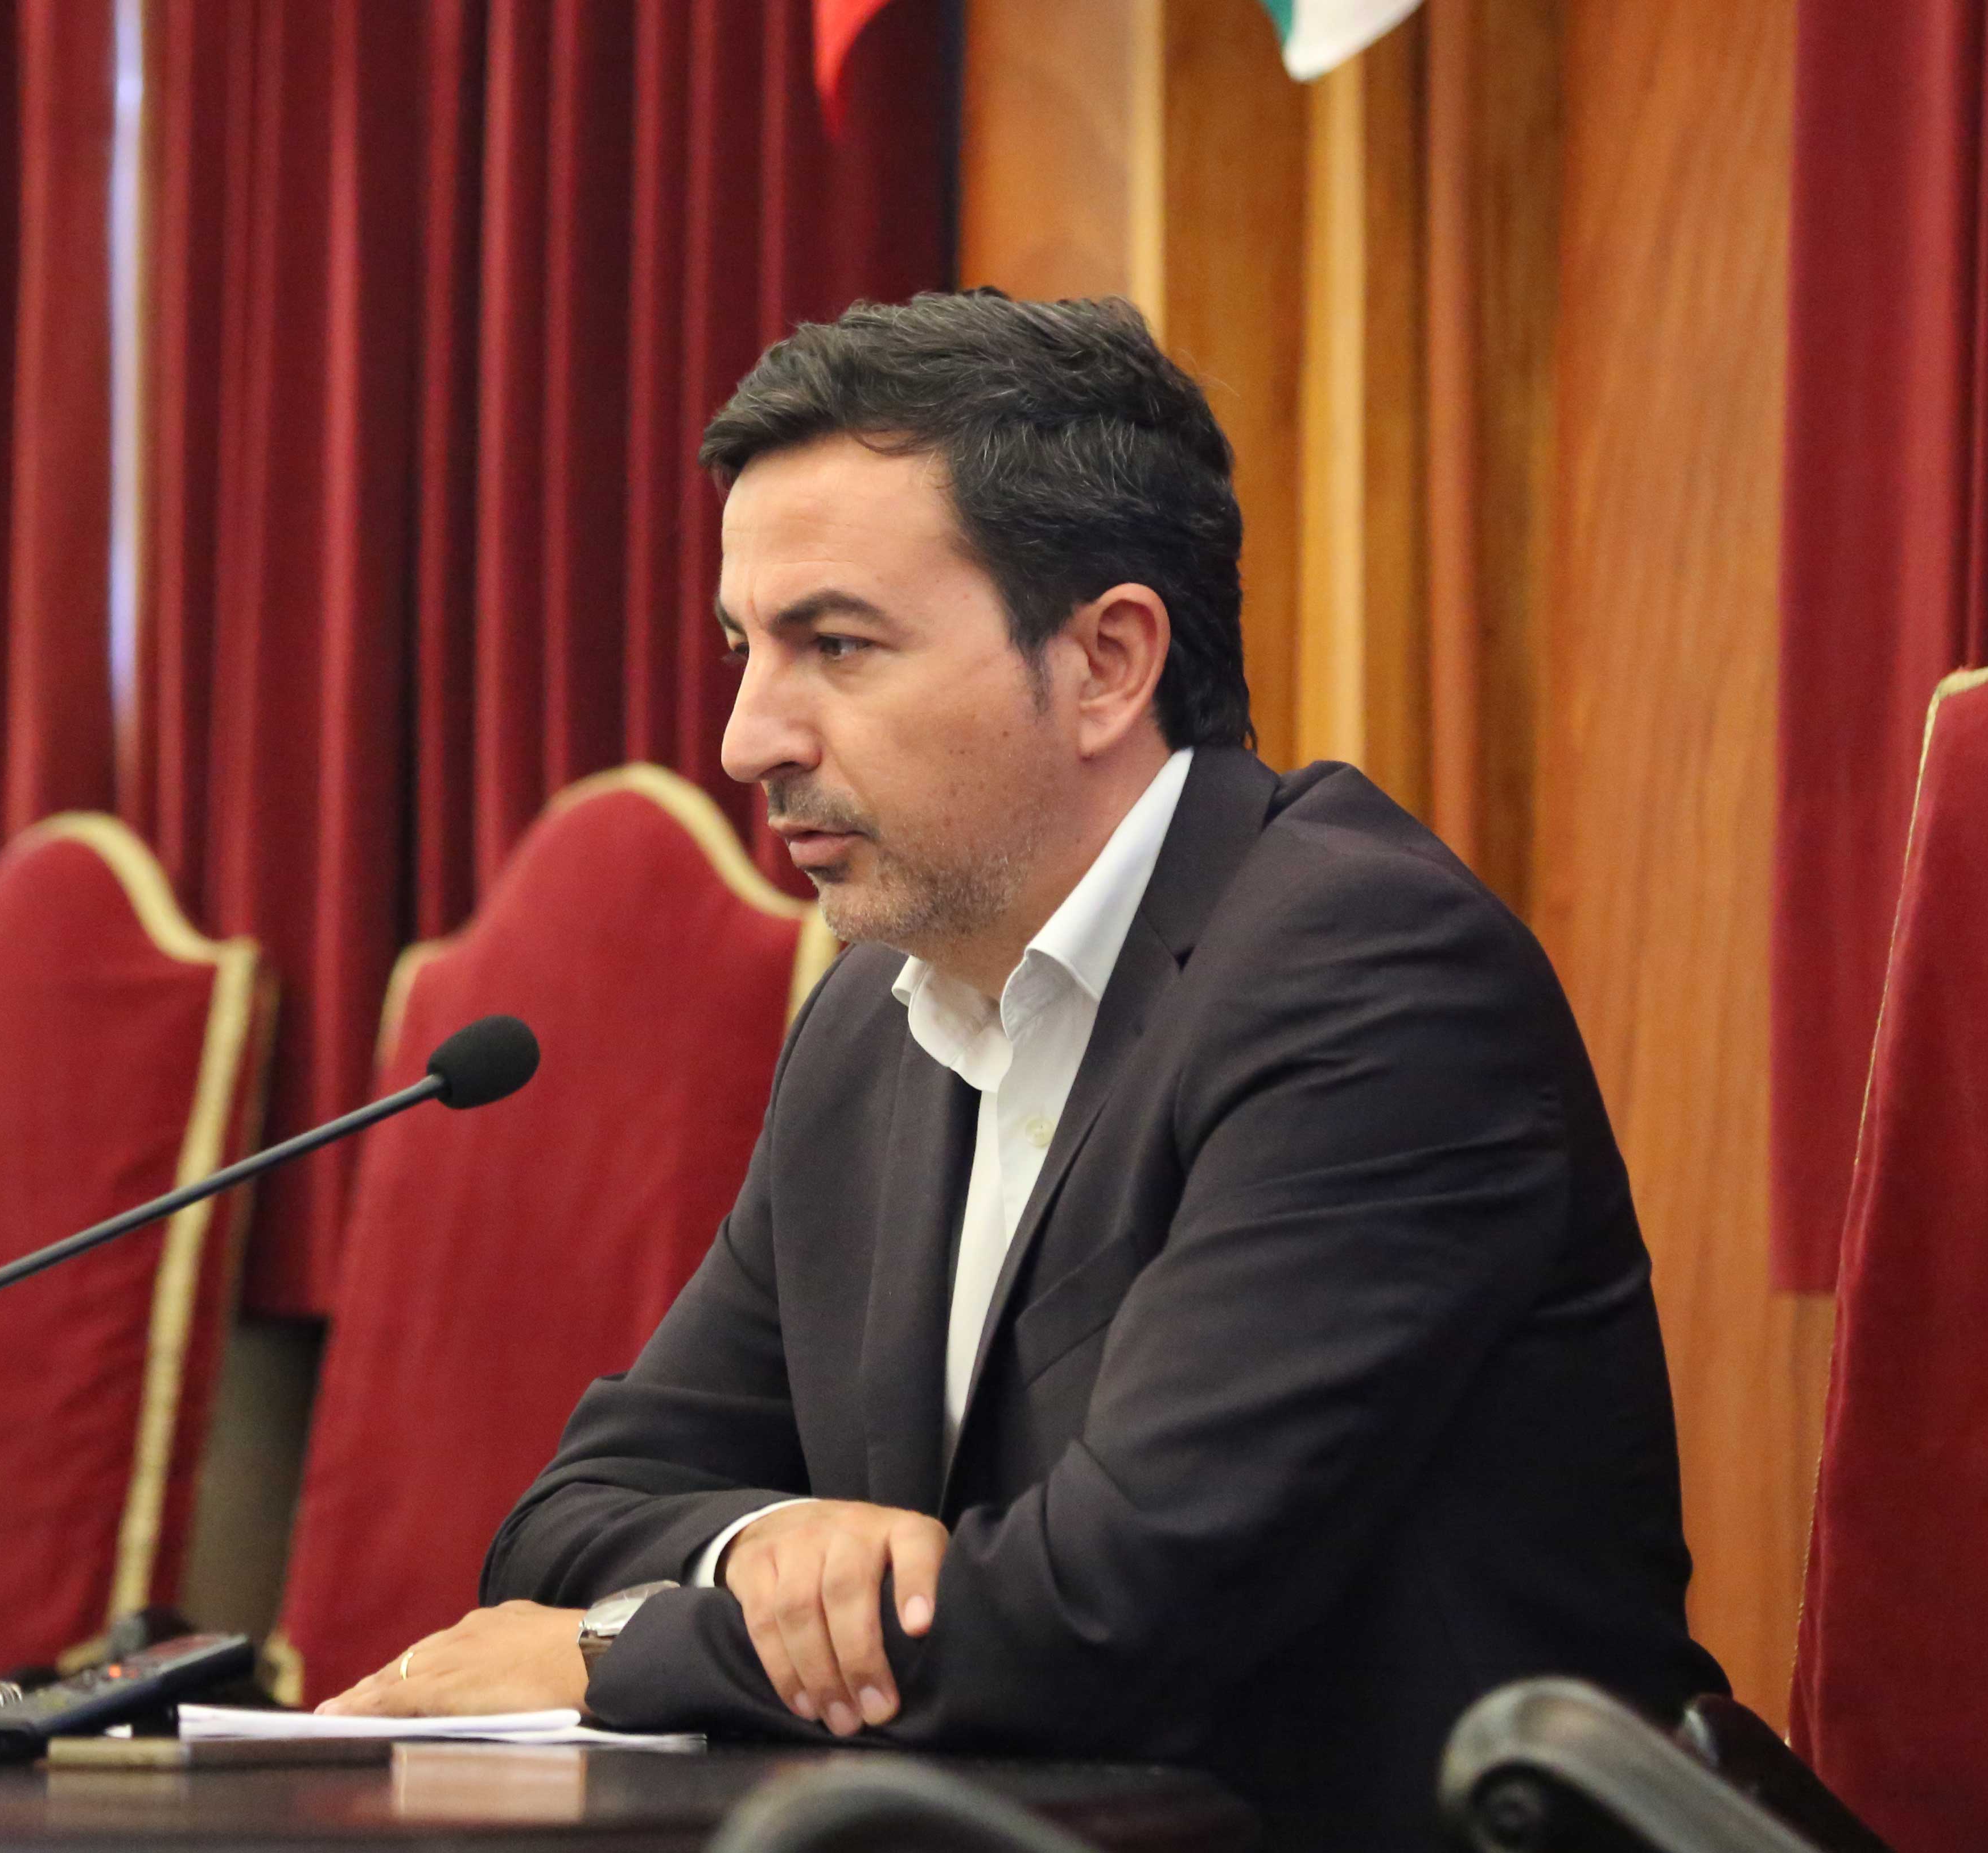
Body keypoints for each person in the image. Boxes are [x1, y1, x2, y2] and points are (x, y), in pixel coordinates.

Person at [316, 290, 1725, 1851]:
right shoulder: (874, 1023)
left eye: (836, 646)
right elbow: (578, 1506)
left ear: (1108, 662)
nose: (748, 739)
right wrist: (773, 1546)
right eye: (744, 650)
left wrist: (612, 1656)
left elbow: (1119, 1607)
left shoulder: (1367, 979)